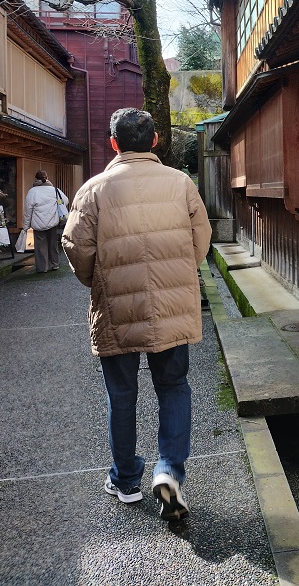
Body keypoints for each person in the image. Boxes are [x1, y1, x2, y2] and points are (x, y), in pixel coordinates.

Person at [62, 108, 212, 520]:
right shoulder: (181, 184)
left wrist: (100, 280)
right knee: (174, 387)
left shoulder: (94, 189)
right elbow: (200, 241)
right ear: (155, 141)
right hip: (171, 306)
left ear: (114, 143)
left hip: (116, 308)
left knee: (122, 395)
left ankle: (126, 479)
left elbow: (76, 247)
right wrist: (178, 276)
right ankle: (169, 471)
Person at [22, 170, 68, 273]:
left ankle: (43, 267)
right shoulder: (54, 190)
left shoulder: (32, 192)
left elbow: (28, 211)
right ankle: (54, 264)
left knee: (40, 246)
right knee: (53, 244)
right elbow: (65, 200)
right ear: (47, 178)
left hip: (38, 223)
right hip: (52, 221)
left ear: (36, 179)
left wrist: (26, 226)